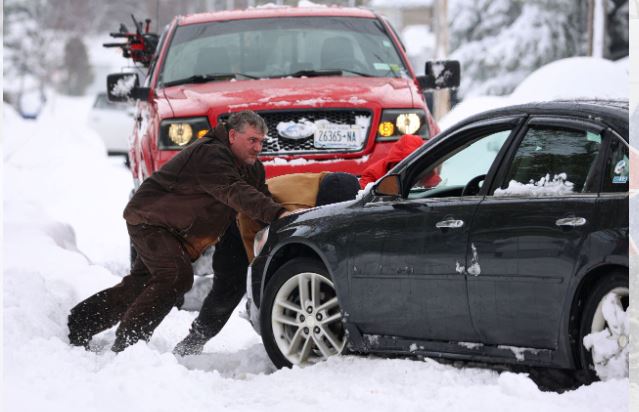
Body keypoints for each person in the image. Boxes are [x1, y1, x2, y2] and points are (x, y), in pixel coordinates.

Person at [68, 110, 292, 353]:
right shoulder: (210, 154)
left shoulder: (253, 169)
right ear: (232, 136)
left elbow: (258, 202)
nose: (258, 148)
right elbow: (234, 191)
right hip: (151, 221)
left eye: (261, 141)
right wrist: (277, 213)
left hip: (177, 232)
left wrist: (286, 222)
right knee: (176, 276)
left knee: (142, 283)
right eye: (252, 140)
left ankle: (81, 322)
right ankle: (129, 343)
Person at [173, 171, 360, 356]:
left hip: (261, 216)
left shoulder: (335, 189)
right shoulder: (299, 210)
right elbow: (255, 260)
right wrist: (261, 296)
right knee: (228, 289)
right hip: (238, 223)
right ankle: (194, 340)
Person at [359, 134, 441, 189]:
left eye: (413, 164)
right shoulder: (372, 174)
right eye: (402, 164)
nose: (407, 169)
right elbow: (362, 201)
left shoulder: (426, 171)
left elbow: (436, 189)